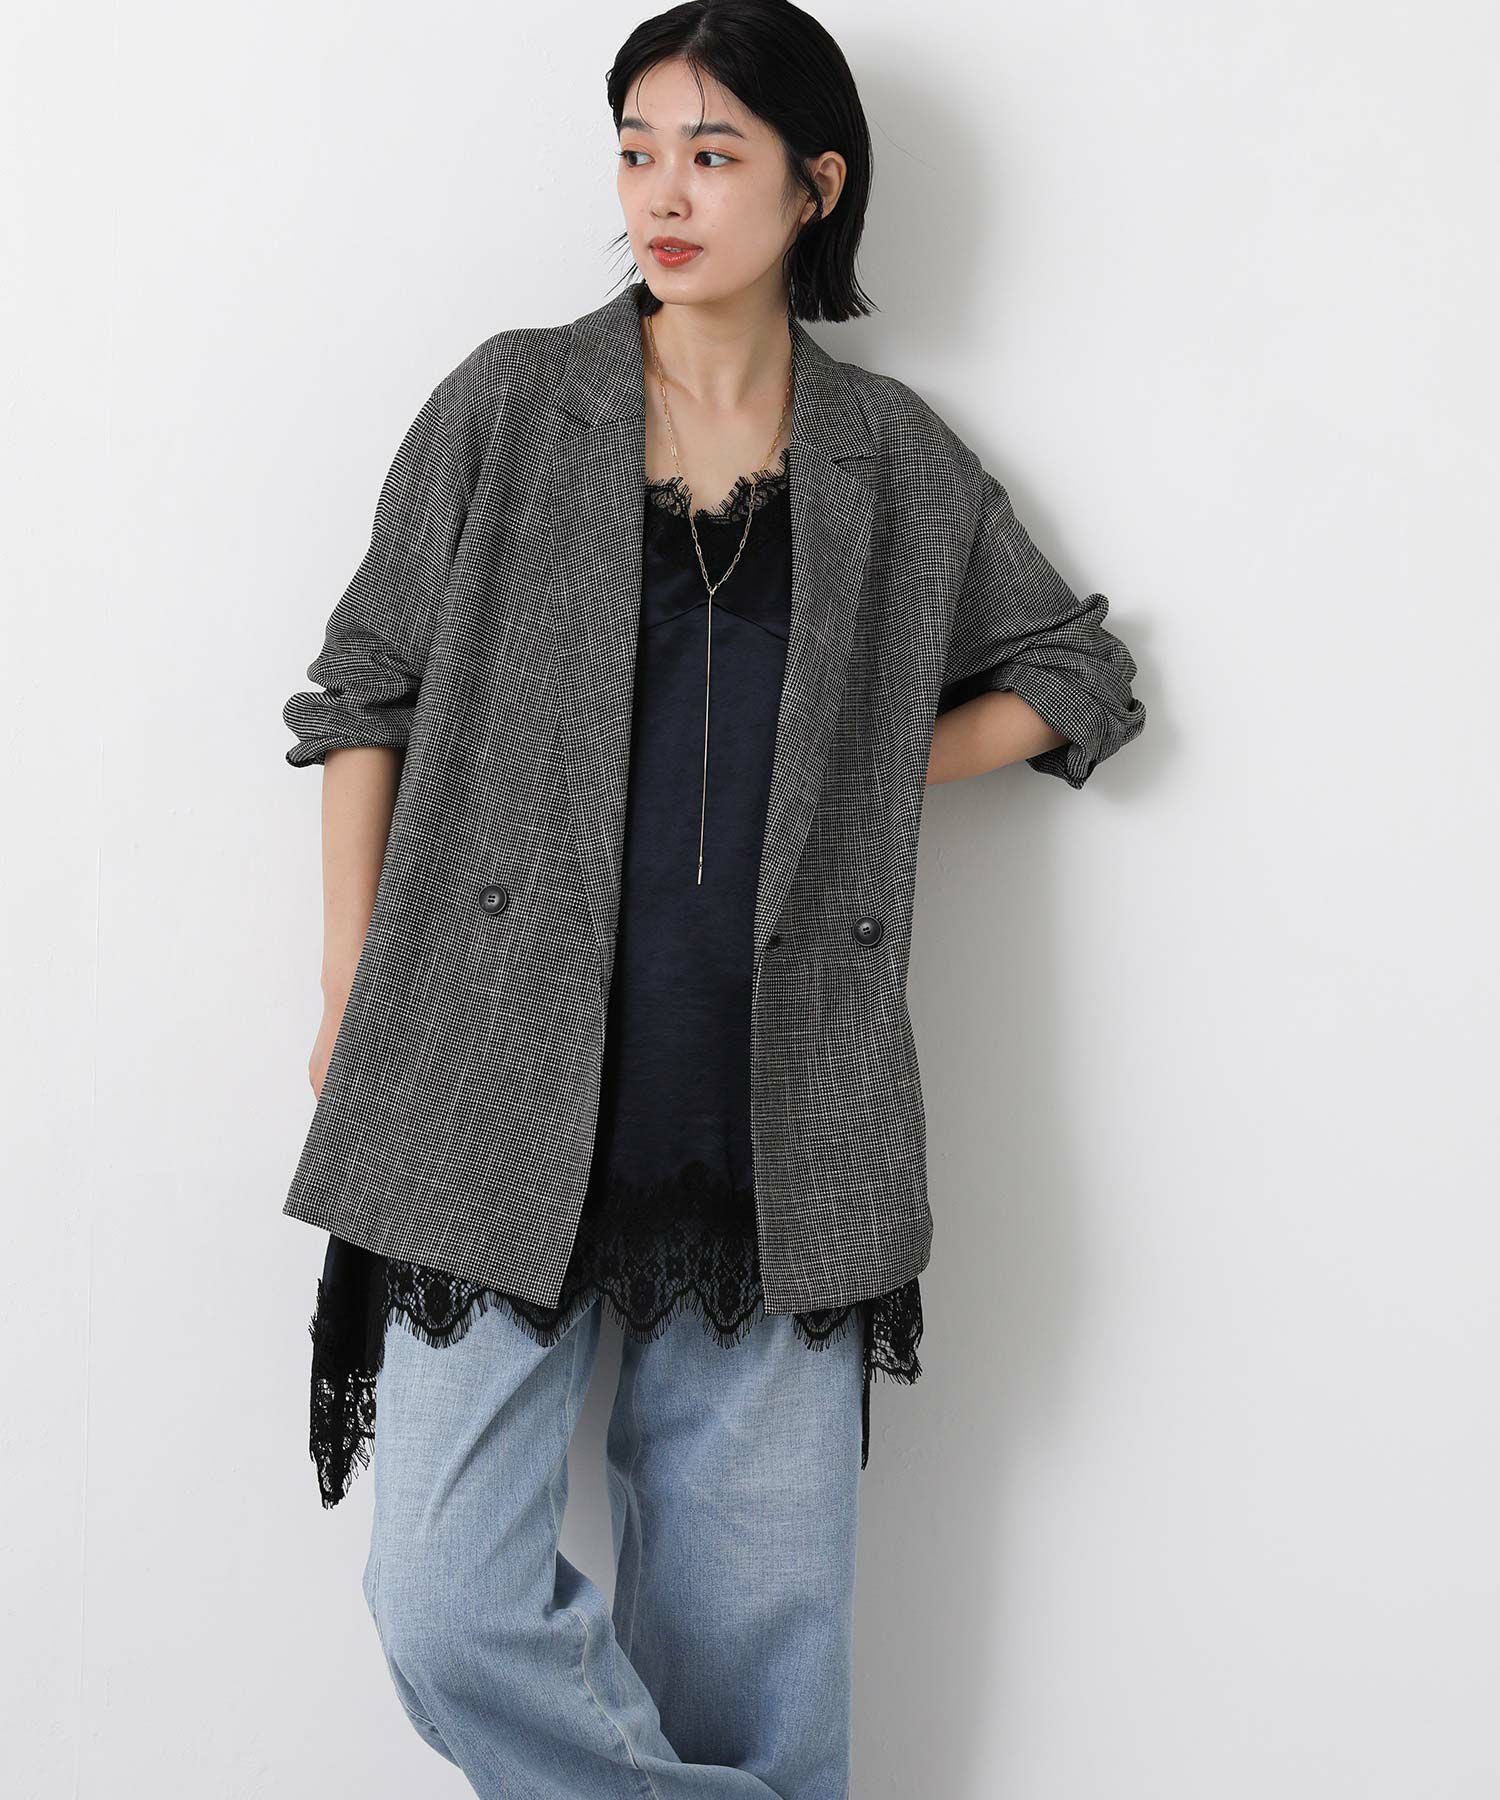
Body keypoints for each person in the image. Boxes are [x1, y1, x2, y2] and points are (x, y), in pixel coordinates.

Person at [280, 6, 1147, 1796]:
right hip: (486, 1080)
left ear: (816, 186)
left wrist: (863, 761)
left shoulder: (889, 459)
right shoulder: (513, 403)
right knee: (444, 1605)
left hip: (775, 1122)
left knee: (760, 1669)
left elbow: (1078, 677)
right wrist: (352, 976)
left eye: (712, 152)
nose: (661, 195)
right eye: (635, 150)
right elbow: (365, 690)